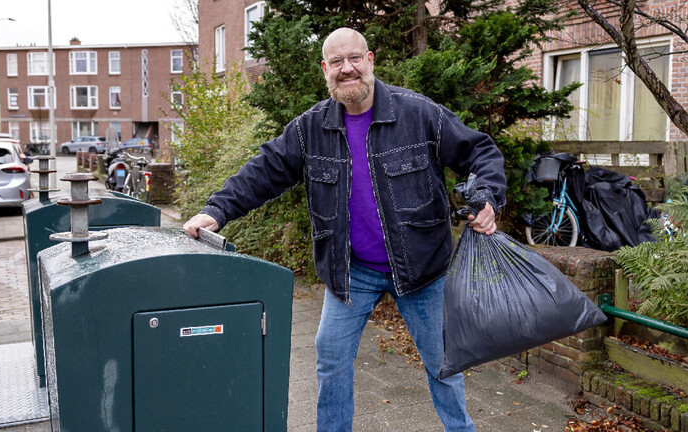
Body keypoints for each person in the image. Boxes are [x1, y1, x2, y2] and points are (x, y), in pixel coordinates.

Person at [184, 27, 506, 432]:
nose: (346, 68)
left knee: (443, 364)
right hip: (352, 272)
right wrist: (216, 211)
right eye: (336, 61)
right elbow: (264, 171)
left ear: (370, 60)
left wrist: (488, 197)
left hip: (423, 270)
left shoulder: (419, 113)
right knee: (330, 359)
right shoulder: (310, 129)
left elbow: (480, 150)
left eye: (354, 58)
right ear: (325, 69)